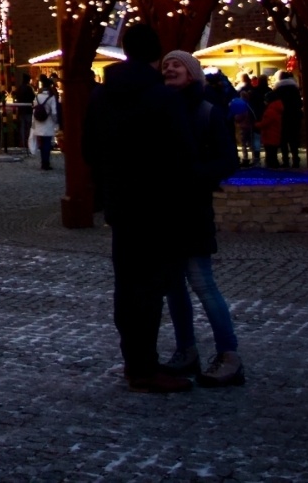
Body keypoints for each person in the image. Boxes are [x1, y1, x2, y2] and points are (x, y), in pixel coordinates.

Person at [81, 22, 192, 394]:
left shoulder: (101, 97)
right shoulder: (163, 98)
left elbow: (87, 151)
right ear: (156, 53)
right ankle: (145, 367)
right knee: (150, 287)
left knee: (127, 286)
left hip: (121, 203)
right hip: (156, 205)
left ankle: (136, 360)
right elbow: (181, 155)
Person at [159, 50, 244, 386]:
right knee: (173, 288)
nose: (169, 68)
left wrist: (195, 176)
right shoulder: (162, 109)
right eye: (165, 64)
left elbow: (228, 160)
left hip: (193, 209)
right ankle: (186, 349)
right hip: (166, 210)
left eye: (176, 64)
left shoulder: (207, 111)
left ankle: (229, 354)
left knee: (202, 283)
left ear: (192, 73)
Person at [273, 70, 303, 169]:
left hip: (282, 117)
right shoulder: (295, 88)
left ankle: (285, 160)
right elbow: (300, 103)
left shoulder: (278, 90)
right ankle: (296, 159)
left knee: (283, 140)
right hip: (294, 116)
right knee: (294, 139)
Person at [31, 77, 59, 170]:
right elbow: (54, 112)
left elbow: (34, 107)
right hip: (48, 122)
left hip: (39, 122)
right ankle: (46, 163)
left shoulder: (37, 96)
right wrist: (56, 122)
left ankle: (43, 162)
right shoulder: (51, 97)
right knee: (47, 143)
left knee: (42, 144)